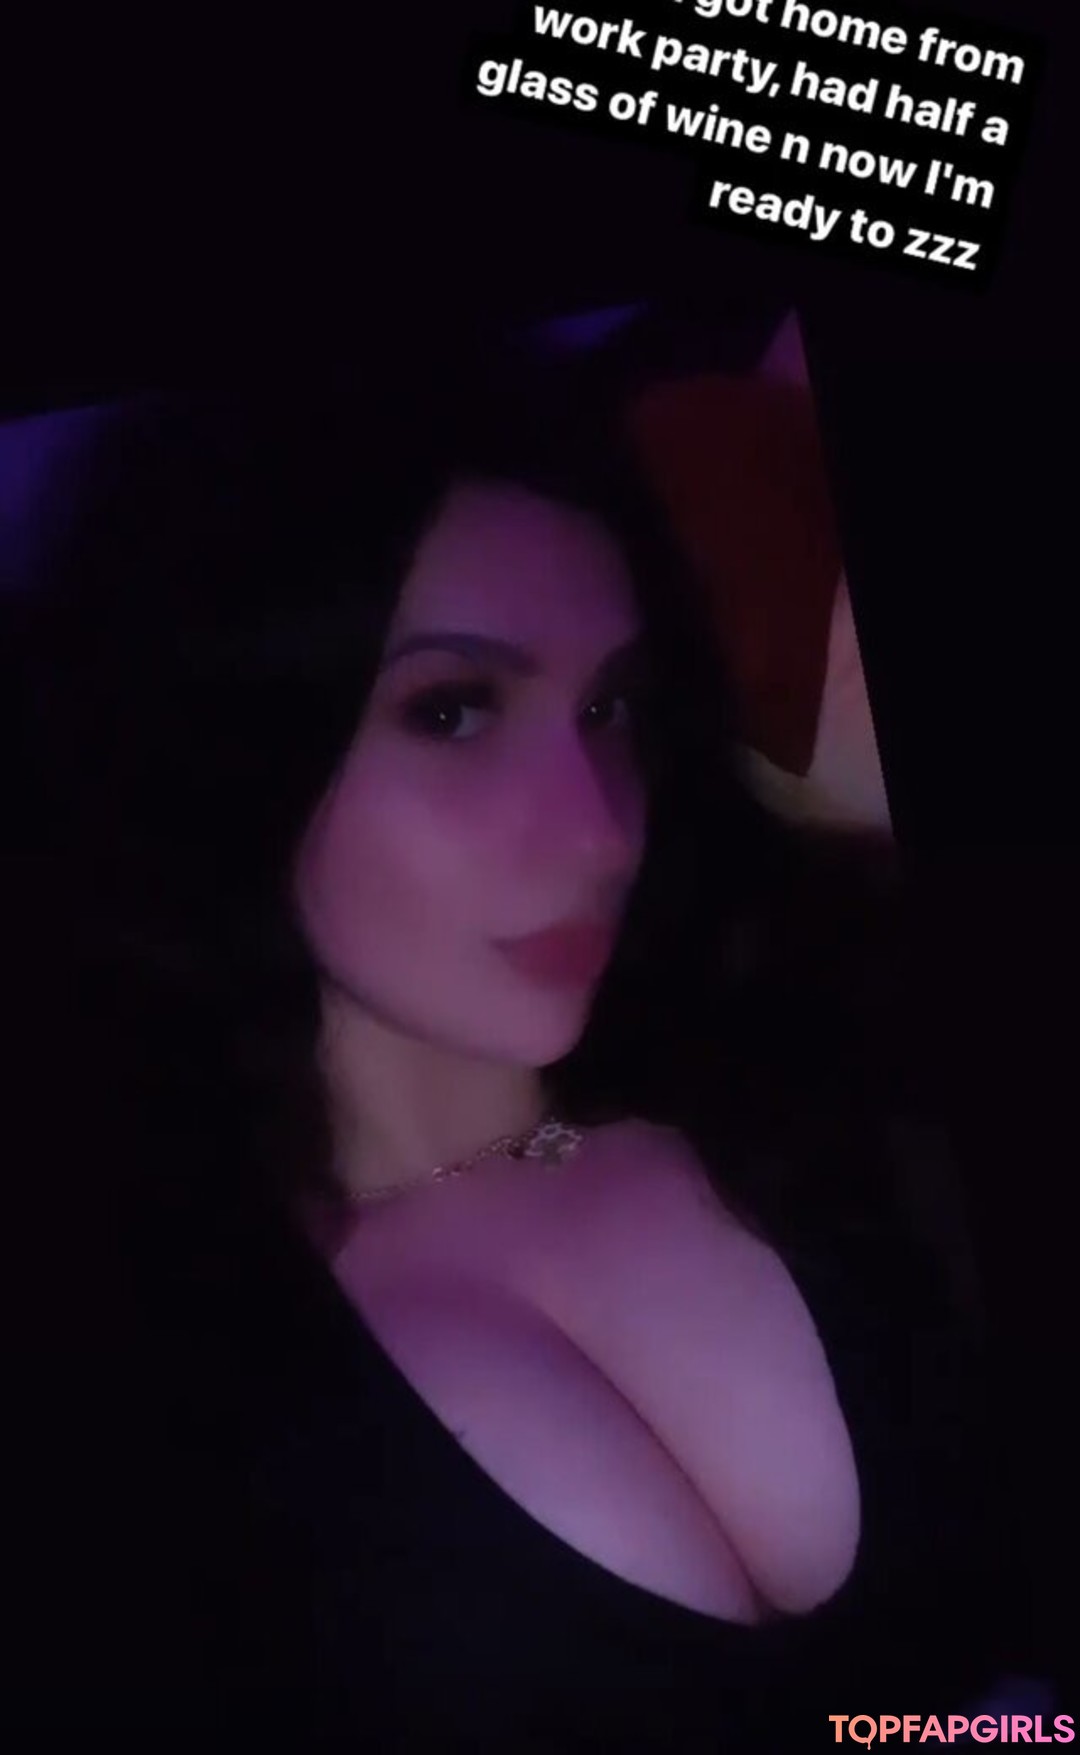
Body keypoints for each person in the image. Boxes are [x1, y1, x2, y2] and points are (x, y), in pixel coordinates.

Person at [10, 337, 1033, 1746]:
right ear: (231, 745)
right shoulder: (124, 1358)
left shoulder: (832, 1067)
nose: (598, 827)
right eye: (452, 710)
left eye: (611, 709)